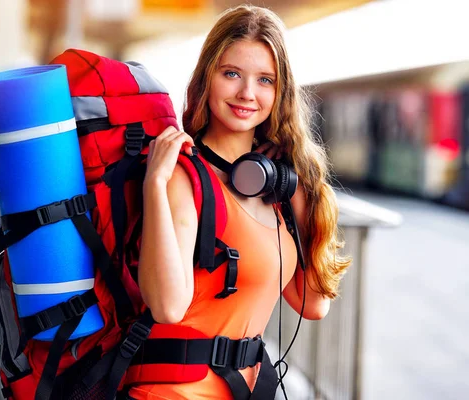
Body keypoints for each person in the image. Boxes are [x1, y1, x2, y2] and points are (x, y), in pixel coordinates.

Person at [129, 4, 351, 399]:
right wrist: (155, 184)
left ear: (280, 92)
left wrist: (300, 189)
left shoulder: (277, 189)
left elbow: (313, 304)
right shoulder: (184, 177)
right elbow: (167, 307)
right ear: (206, 79)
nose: (248, 93)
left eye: (265, 79)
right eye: (231, 74)